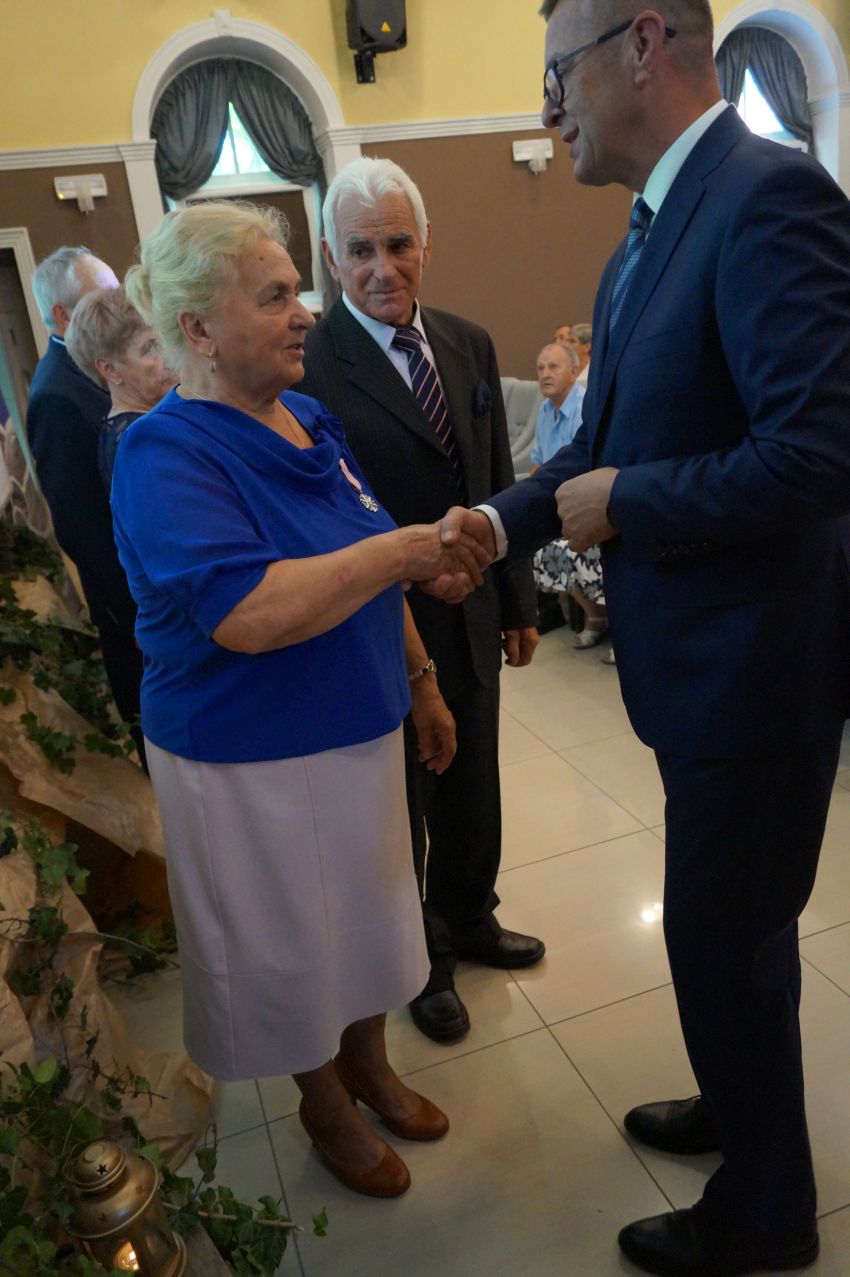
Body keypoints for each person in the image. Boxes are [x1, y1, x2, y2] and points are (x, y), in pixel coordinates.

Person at [438, 1, 850, 1272]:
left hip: (756, 673)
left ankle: (766, 1209)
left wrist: (632, 503)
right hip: (698, 673)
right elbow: (598, 450)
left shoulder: (768, 196)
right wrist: (492, 525)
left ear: (642, 43)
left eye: (555, 71)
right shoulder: (643, 237)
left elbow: (817, 454)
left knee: (723, 940)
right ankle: (739, 1106)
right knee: (726, 936)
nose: (545, 106)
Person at [113, 201, 490, 1198]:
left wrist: (421, 677)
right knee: (288, 946)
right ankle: (323, 1103)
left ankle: (369, 1066)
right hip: (245, 756)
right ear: (198, 328)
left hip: (357, 727)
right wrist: (401, 551)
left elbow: (363, 564)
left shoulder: (310, 418)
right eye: (275, 296)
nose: (305, 313)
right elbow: (249, 612)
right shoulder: (165, 453)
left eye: (296, 291)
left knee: (365, 917)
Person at [298, 156, 545, 1047]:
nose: (382, 268)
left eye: (398, 244)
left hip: (473, 610)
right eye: (360, 249)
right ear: (332, 257)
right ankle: (424, 961)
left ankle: (472, 914)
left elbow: (496, 477)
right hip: (379, 628)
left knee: (474, 782)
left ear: (426, 245)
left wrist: (517, 598)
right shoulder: (309, 365)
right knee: (403, 804)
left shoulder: (467, 341)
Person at [26, 247, 144, 744]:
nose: (120, 304)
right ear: (62, 314)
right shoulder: (56, 395)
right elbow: (81, 528)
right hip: (133, 612)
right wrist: (144, 603)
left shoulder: (93, 365)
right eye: (106, 294)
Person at [530, 342, 612, 660]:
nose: (545, 374)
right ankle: (595, 615)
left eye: (553, 366)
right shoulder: (544, 410)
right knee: (538, 547)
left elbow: (589, 467)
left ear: (575, 370)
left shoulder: (584, 407)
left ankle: (617, 624)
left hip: (590, 504)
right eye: (540, 368)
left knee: (580, 548)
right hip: (559, 505)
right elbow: (538, 464)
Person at [65, 286, 177, 490]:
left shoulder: (145, 425)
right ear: (109, 370)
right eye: (150, 347)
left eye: (164, 340)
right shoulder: (140, 441)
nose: (168, 355)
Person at [572, 321, 592, 386]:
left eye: (572, 341)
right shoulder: (565, 371)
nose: (566, 344)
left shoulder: (596, 373)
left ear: (587, 347)